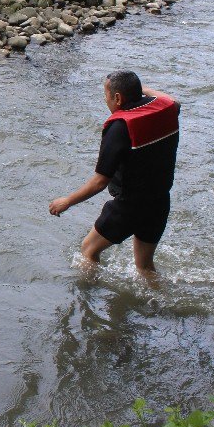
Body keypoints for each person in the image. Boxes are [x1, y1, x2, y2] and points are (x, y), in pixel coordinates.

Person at [49, 70, 180, 278]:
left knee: (88, 250)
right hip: (160, 203)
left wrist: (67, 201)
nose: (105, 100)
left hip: (129, 207)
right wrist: (139, 90)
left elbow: (100, 181)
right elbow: (172, 100)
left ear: (117, 98)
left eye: (106, 95)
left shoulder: (120, 127)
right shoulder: (168, 109)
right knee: (145, 268)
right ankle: (158, 306)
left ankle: (90, 302)